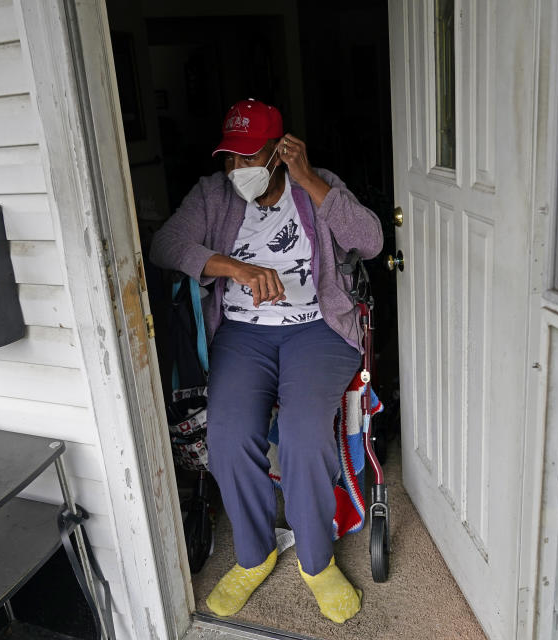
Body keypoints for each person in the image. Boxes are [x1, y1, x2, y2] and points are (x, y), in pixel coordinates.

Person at [149, 98, 383, 623]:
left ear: (279, 152)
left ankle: (317, 562)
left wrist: (310, 180)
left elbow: (370, 242)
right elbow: (165, 243)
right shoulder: (212, 195)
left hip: (318, 331)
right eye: (228, 158)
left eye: (247, 156)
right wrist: (233, 267)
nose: (237, 170)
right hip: (242, 335)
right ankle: (255, 556)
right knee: (229, 440)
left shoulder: (317, 182)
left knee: (304, 435)